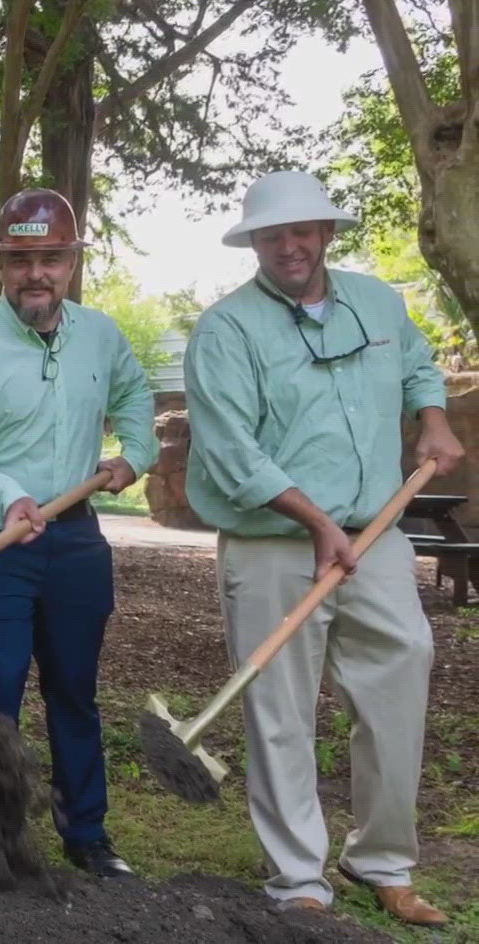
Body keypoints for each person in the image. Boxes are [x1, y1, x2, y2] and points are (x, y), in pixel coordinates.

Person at [183, 171, 461, 925]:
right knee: (279, 709)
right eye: (274, 235)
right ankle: (299, 879)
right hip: (274, 545)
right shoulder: (227, 330)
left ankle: (383, 862)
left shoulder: (378, 302)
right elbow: (231, 453)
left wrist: (432, 418)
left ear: (327, 234)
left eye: (303, 231)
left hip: (377, 535)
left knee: (402, 674)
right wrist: (314, 522)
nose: (291, 246)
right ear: (256, 243)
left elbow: (415, 365)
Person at [0, 188, 155, 879]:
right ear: (2, 263)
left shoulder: (102, 335)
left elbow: (137, 399)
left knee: (74, 688)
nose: (37, 273)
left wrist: (133, 456)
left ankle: (86, 836)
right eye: (22, 258)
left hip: (75, 539)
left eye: (51, 258)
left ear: (72, 262)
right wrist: (10, 498)